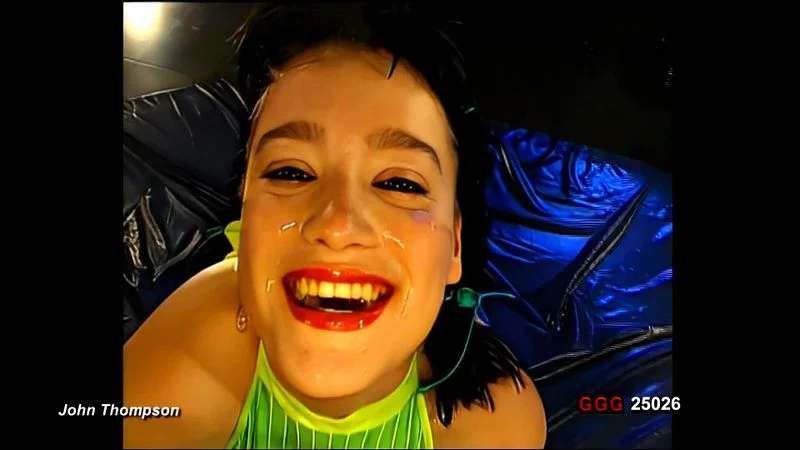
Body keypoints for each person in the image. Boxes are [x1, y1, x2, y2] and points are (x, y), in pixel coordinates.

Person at [123, 4, 547, 448]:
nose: (338, 226)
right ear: (245, 218)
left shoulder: (495, 422)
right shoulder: (179, 373)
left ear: (456, 245)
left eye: (399, 183)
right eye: (291, 172)